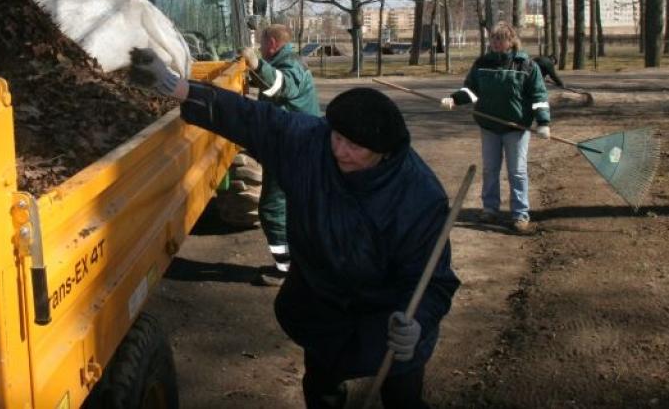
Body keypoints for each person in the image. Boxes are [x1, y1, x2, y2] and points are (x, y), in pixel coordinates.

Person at [130, 48, 459, 409]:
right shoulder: (310, 144)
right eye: (338, 138)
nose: (341, 151)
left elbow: (433, 280)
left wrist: (418, 323)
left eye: (356, 147)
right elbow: (252, 118)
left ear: (385, 152)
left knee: (402, 395)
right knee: (321, 384)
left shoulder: (419, 197)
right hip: (323, 304)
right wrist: (180, 89)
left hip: (389, 314)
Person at [441, 22, 551, 234]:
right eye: (493, 39)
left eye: (501, 39)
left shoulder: (526, 65)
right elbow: (472, 91)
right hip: (489, 126)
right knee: (490, 169)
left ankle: (520, 214)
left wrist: (543, 122)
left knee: (517, 172)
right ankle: (490, 208)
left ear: (511, 41)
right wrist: (454, 99)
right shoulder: (482, 63)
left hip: (516, 128)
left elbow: (539, 96)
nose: (496, 43)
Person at [240, 25, 321, 287]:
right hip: (296, 144)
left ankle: (285, 269)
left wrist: (256, 64)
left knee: (273, 208)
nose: (262, 50)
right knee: (291, 207)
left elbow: (281, 86)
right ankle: (294, 264)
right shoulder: (285, 60)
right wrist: (252, 69)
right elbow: (269, 80)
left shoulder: (290, 65)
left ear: (272, 43)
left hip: (293, 147)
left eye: (263, 46)